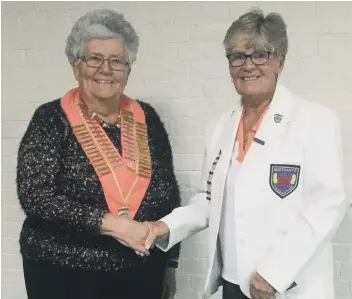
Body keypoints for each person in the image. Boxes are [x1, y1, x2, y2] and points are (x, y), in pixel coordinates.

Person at [142, 8, 346, 299]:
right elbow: (208, 199)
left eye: (260, 54)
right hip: (234, 283)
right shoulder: (220, 126)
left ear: (280, 61)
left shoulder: (315, 120)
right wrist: (163, 227)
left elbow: (328, 204)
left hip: (286, 286)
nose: (247, 65)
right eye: (237, 56)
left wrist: (274, 273)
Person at [16, 9, 181, 299]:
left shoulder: (148, 118)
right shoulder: (51, 119)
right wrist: (113, 225)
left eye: (117, 61)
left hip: (141, 273)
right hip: (64, 274)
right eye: (95, 58)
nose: (106, 69)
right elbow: (36, 195)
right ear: (76, 66)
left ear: (128, 69)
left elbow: (169, 196)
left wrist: (170, 264)